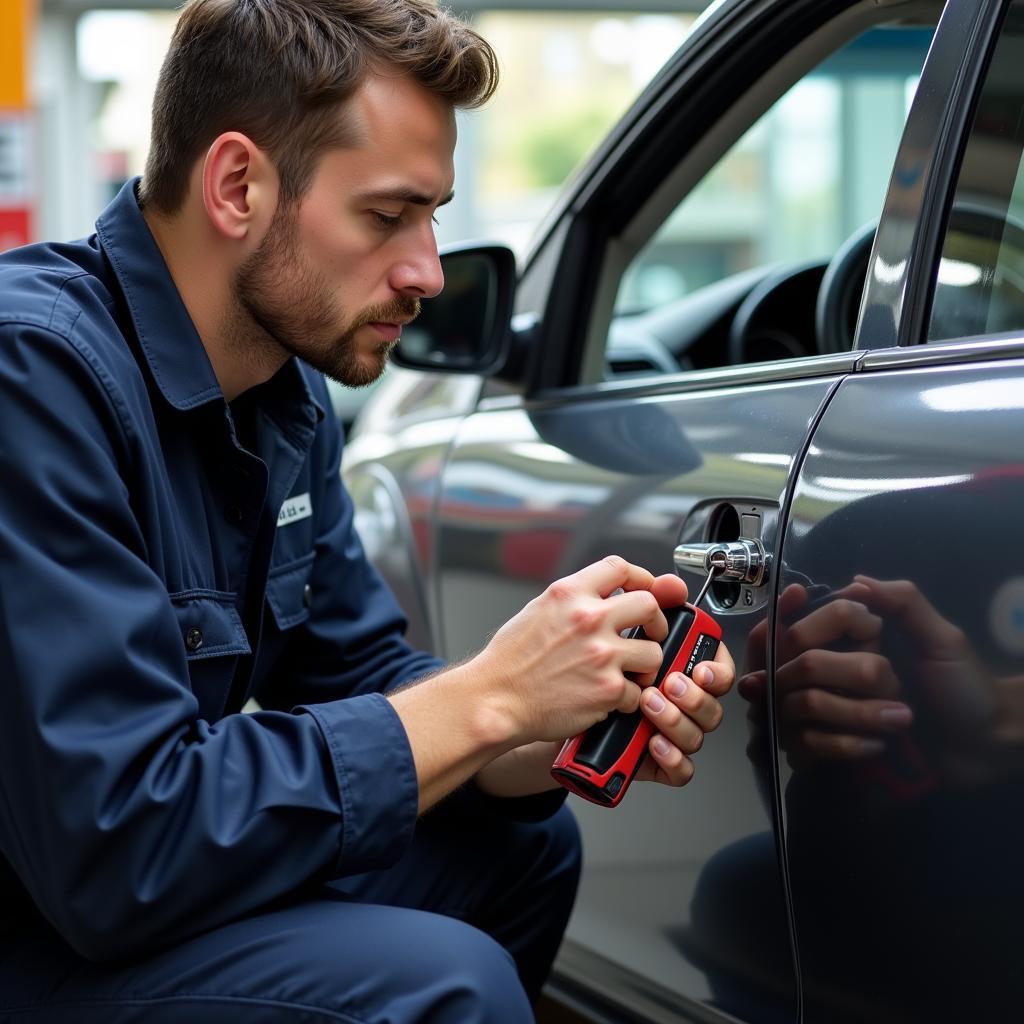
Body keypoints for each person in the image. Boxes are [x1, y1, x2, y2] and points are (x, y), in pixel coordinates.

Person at [0, 2, 736, 1021]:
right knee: (443, 983)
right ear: (236, 186)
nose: (427, 272)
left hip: (121, 891)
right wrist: (485, 697)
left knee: (517, 841)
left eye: (432, 217)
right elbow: (117, 846)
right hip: (46, 919)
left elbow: (363, 674)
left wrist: (540, 717)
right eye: (387, 217)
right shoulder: (33, 374)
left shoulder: (282, 394)